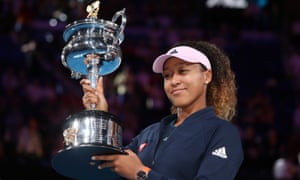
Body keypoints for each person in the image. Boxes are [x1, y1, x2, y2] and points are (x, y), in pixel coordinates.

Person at [80, 40, 244, 179]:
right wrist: (100, 115)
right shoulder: (150, 133)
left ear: (206, 76)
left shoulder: (221, 132)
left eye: (183, 71)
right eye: (167, 75)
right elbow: (105, 167)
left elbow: (135, 171)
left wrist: (141, 174)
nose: (174, 81)